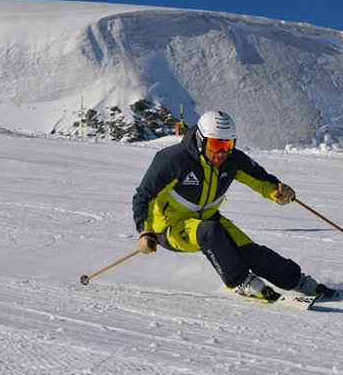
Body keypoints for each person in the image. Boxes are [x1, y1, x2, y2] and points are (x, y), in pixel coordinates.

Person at [132, 110, 329, 300]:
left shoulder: (233, 159)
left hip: (208, 217)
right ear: (201, 140)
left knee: (249, 250)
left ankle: (296, 280)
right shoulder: (172, 161)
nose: (221, 153)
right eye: (215, 145)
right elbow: (144, 196)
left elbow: (262, 180)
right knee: (211, 232)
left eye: (227, 145)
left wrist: (278, 192)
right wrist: (145, 231)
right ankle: (240, 282)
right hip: (170, 227)